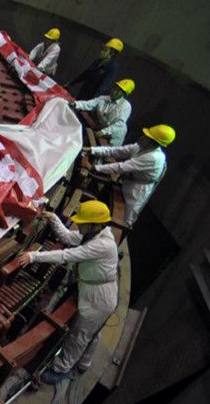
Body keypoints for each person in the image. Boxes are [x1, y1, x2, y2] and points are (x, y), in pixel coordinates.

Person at [18, 201, 118, 383]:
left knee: (79, 335)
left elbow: (66, 255)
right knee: (92, 332)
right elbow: (67, 237)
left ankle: (61, 369)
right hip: (91, 289)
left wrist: (34, 256)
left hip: (99, 297)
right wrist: (53, 218)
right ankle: (84, 363)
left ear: (95, 225)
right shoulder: (93, 235)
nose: (79, 226)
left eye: (82, 223)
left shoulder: (102, 245)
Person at [87, 124, 173, 225]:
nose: (142, 137)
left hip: (137, 191)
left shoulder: (154, 157)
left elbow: (121, 167)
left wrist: (94, 168)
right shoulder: (140, 147)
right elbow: (117, 151)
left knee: (125, 219)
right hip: (129, 181)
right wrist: (92, 150)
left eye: (147, 137)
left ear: (154, 143)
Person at [74, 79, 134, 145]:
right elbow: (89, 104)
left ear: (124, 94)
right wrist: (76, 104)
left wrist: (103, 132)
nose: (114, 92)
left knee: (105, 150)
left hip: (115, 135)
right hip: (103, 129)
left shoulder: (125, 106)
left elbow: (119, 124)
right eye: (115, 88)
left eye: (118, 91)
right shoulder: (103, 98)